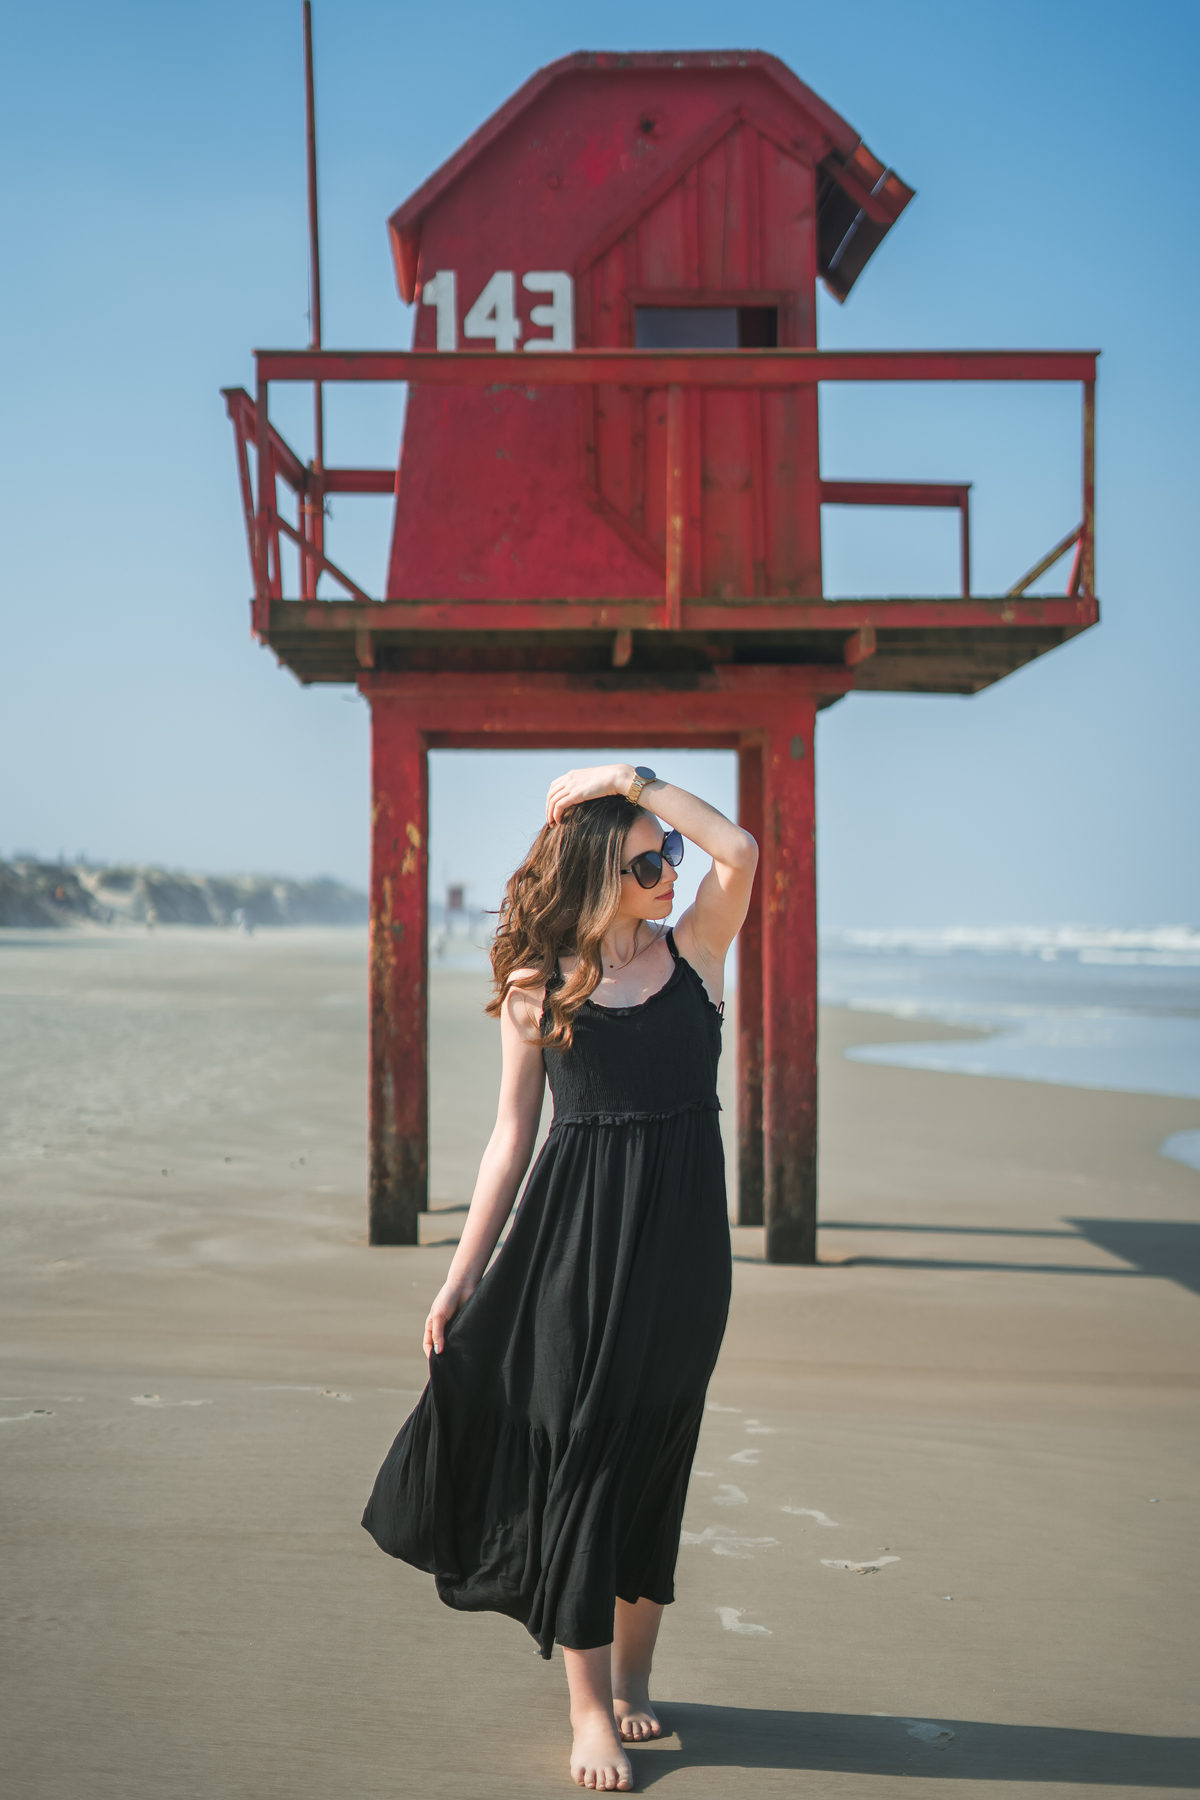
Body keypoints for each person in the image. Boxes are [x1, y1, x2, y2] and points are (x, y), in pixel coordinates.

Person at [362, 762, 758, 1791]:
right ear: (597, 867)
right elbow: (508, 1144)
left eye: (669, 854)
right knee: (584, 1456)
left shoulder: (696, 954)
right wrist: (457, 1283)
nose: (671, 869)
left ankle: (633, 1680)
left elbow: (742, 853)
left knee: (654, 1460)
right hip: (573, 1250)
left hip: (683, 1262)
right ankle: (587, 1711)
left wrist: (642, 785)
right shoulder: (541, 986)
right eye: (646, 858)